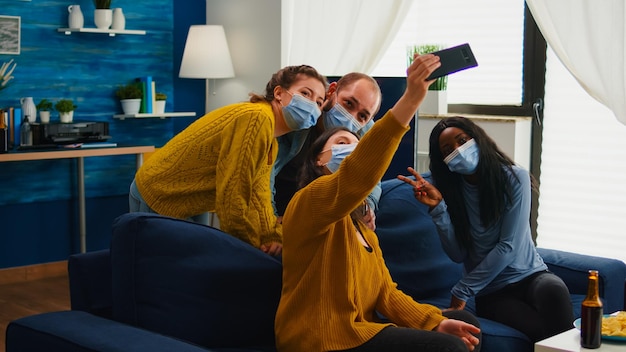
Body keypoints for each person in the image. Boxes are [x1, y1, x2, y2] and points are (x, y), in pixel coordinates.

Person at [275, 54, 481, 352]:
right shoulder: (308, 202)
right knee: (451, 348)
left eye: (357, 144)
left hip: (359, 331)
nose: (352, 152)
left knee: (463, 324)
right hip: (319, 339)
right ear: (319, 159)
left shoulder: (364, 229)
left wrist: (435, 321)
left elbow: (386, 293)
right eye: (342, 145)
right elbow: (357, 174)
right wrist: (410, 99)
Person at [398, 116, 574, 342]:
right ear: (444, 160)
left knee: (554, 291)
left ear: (477, 138)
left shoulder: (513, 177)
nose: (459, 150)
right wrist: (438, 209)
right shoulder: (450, 190)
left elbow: (509, 246)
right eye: (448, 149)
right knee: (543, 334)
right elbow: (458, 254)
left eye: (462, 140)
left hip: (532, 276)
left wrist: (462, 290)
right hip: (493, 293)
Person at [129, 65, 328, 256]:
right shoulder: (256, 118)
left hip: (187, 199)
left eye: (319, 102)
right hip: (160, 192)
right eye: (305, 93)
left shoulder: (271, 140)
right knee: (161, 277)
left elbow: (260, 196)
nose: (312, 104)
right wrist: (251, 246)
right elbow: (233, 194)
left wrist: (273, 237)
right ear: (278, 93)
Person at [272, 72, 382, 229]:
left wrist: (367, 206)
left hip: (322, 208)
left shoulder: (365, 131)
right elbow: (266, 169)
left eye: (363, 116)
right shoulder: (302, 112)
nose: (351, 117)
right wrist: (272, 221)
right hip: (282, 191)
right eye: (348, 103)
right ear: (332, 91)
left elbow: (372, 175)